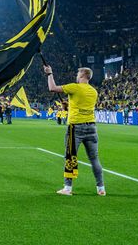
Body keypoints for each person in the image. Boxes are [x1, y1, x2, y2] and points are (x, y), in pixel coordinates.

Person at [44, 65, 105, 197]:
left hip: (76, 127)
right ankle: (101, 188)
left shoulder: (74, 87)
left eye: (78, 74)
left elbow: (52, 88)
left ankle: (67, 188)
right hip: (92, 127)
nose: (76, 76)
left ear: (83, 75)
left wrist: (49, 73)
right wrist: (69, 106)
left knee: (70, 157)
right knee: (94, 159)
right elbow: (82, 105)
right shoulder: (94, 91)